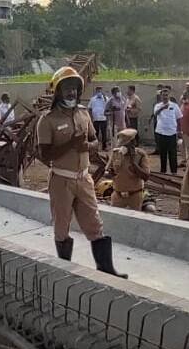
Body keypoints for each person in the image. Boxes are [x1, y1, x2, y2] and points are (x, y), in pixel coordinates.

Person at [36, 66, 127, 278]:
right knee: (61, 225)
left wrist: (87, 146)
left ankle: (106, 269)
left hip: (84, 179)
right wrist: (70, 145)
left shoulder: (84, 114)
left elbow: (95, 141)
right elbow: (44, 154)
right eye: (66, 88)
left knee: (94, 223)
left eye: (75, 88)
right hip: (61, 180)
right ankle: (64, 270)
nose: (71, 92)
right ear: (58, 91)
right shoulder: (47, 120)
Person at [108, 129, 150, 210]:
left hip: (134, 195)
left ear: (133, 143)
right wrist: (111, 173)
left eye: (127, 145)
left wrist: (133, 162)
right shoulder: (116, 153)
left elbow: (146, 176)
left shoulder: (140, 155)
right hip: (118, 194)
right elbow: (109, 172)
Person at [153, 89, 183, 174]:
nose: (165, 97)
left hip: (172, 132)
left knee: (173, 153)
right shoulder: (158, 106)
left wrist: (179, 130)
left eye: (166, 95)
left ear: (169, 96)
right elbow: (155, 114)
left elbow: (179, 118)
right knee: (163, 153)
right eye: (163, 95)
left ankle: (174, 172)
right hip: (161, 132)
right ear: (161, 96)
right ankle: (163, 171)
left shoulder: (174, 106)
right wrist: (162, 108)